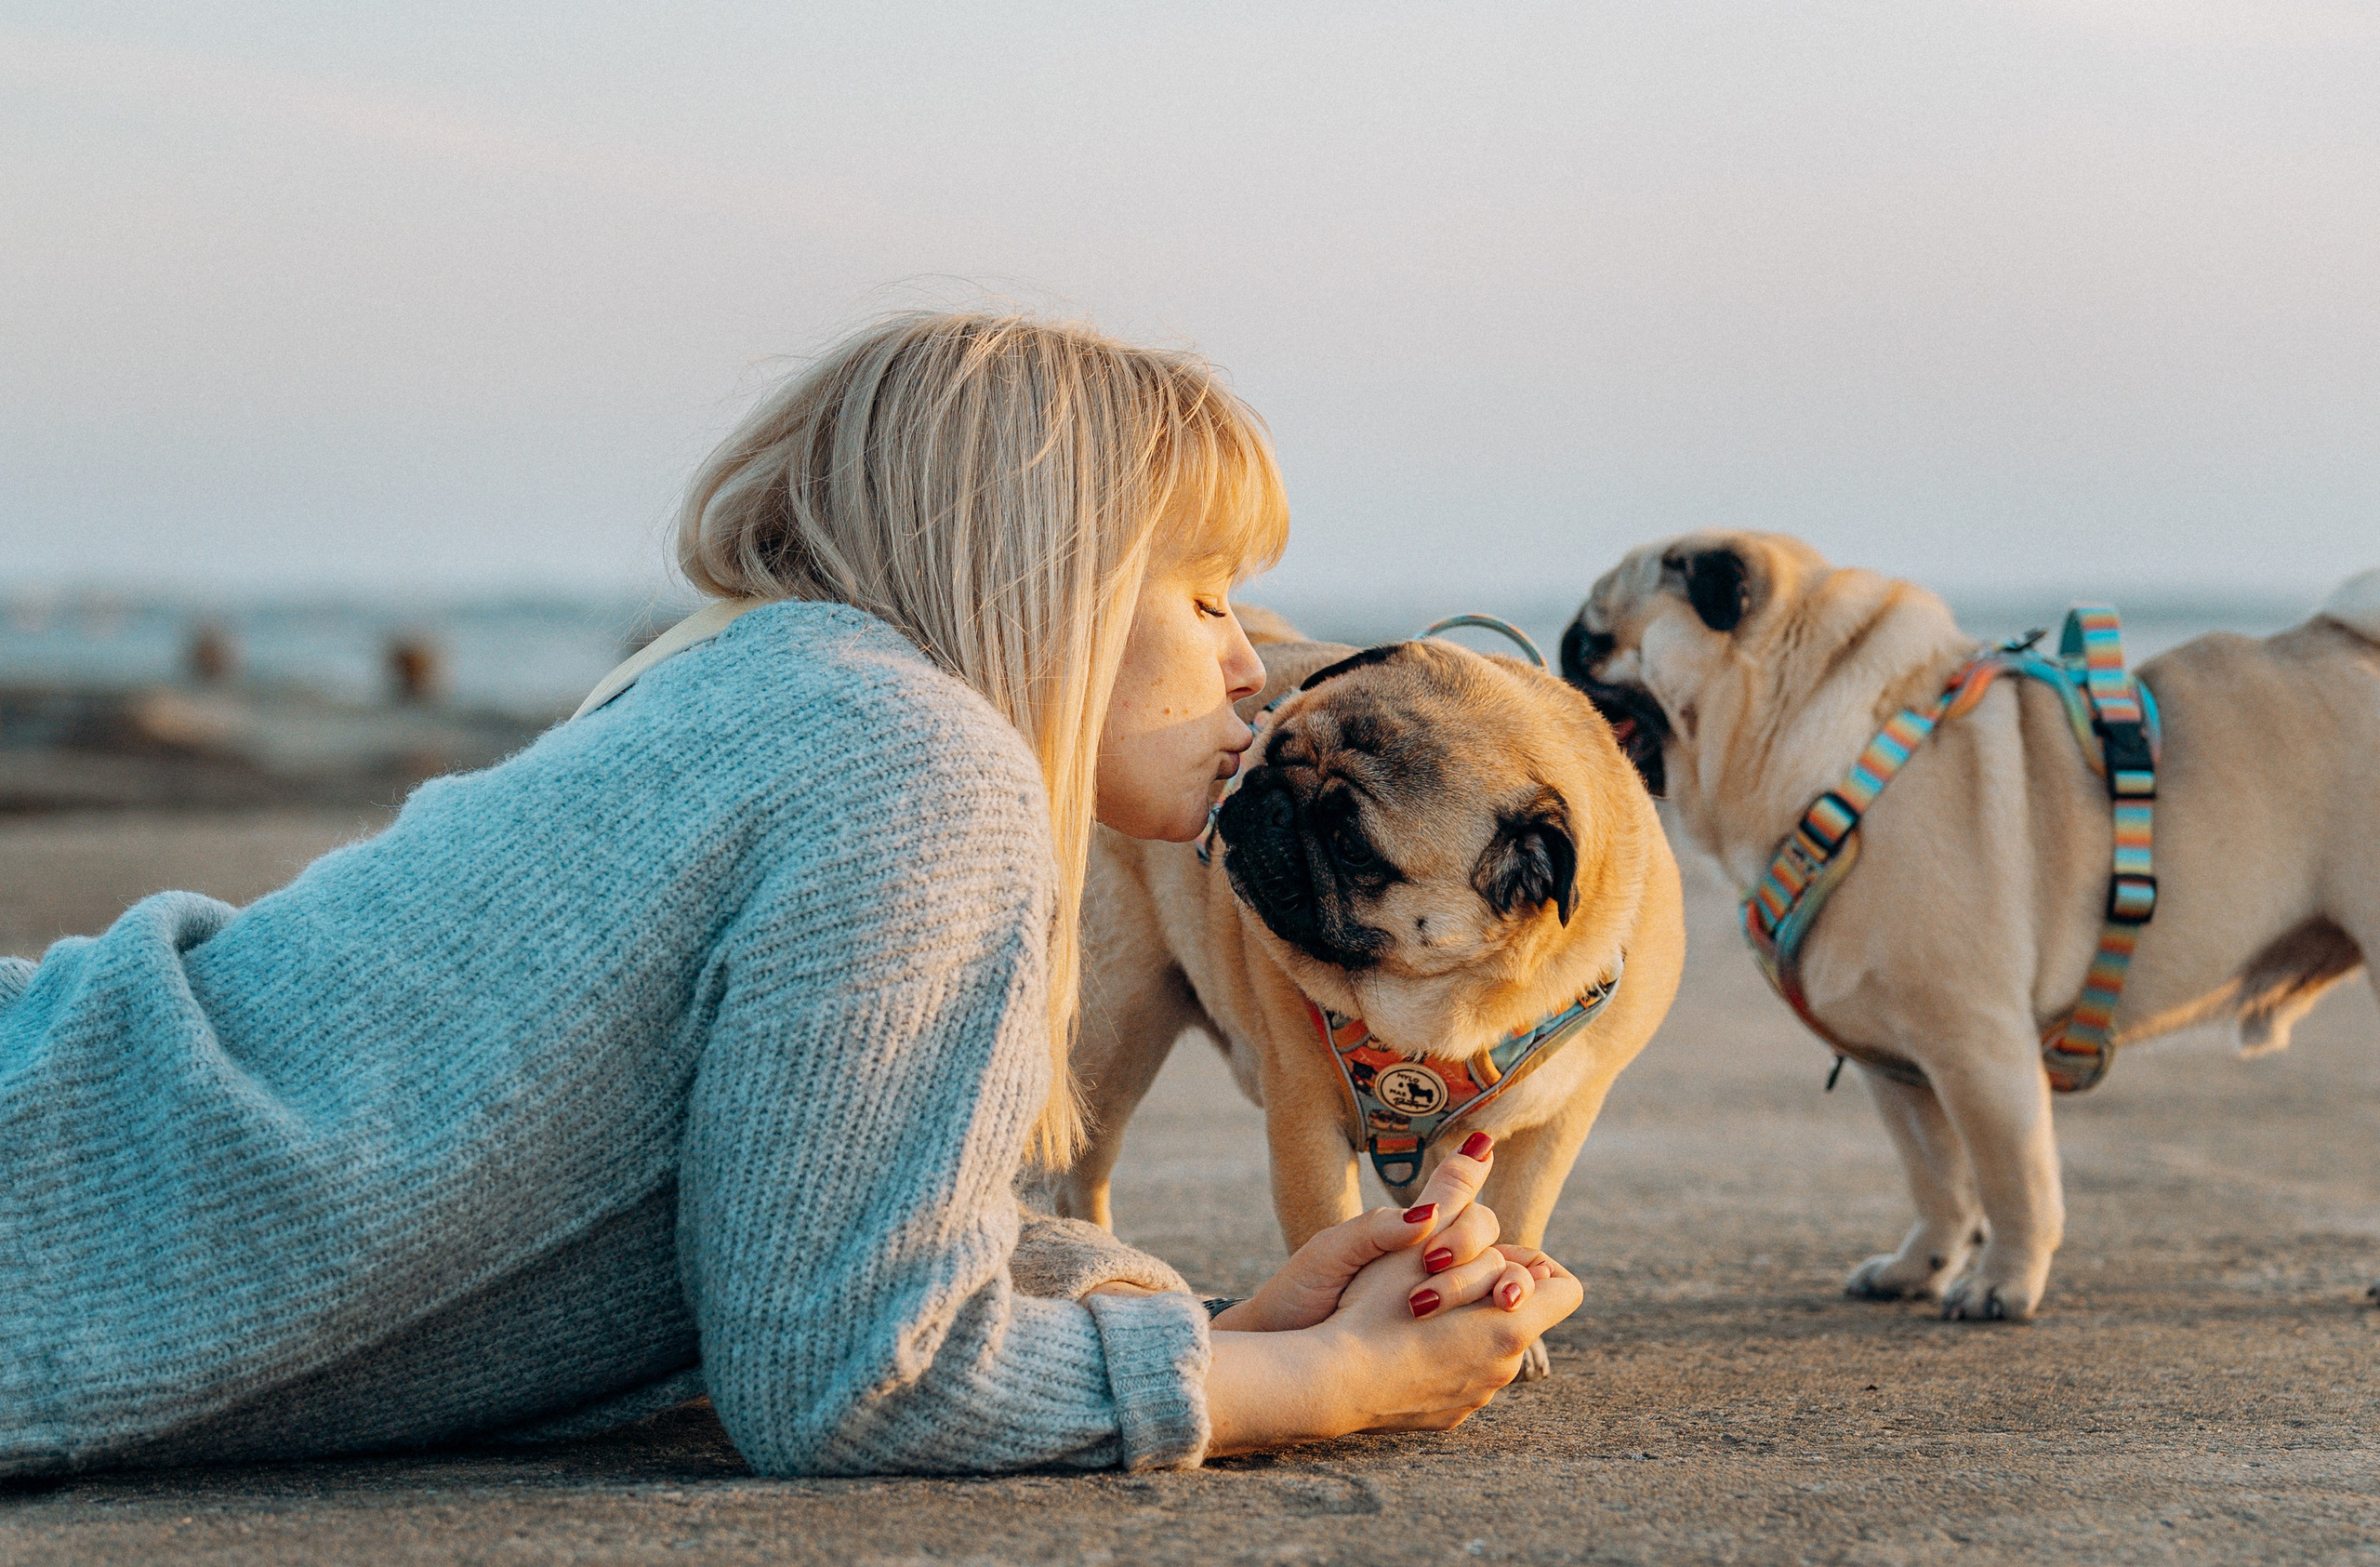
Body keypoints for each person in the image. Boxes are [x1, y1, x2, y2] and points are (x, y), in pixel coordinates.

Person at [0, 312, 1581, 1480]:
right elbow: (853, 1378)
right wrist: (1329, 1392)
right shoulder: (915, 765)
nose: (1252, 662)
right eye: (1205, 593)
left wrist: (1225, 1323)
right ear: (1052, 571)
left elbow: (786, 1237)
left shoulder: (791, 698)